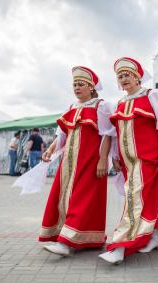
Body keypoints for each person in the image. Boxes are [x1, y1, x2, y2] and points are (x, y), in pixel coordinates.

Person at [99, 57, 158, 264]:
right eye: (120, 76)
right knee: (141, 201)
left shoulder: (153, 96)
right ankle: (155, 235)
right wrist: (114, 156)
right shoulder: (119, 103)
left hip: (149, 160)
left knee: (135, 201)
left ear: (137, 77)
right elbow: (116, 134)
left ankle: (120, 247)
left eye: (127, 75)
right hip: (128, 163)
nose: (123, 78)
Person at [39, 66, 115, 256]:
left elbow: (107, 135)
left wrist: (103, 160)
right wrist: (50, 149)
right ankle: (85, 239)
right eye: (74, 84)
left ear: (91, 87)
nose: (76, 88)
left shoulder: (102, 106)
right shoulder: (72, 107)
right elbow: (63, 135)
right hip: (69, 163)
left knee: (83, 200)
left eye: (81, 84)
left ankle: (65, 244)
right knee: (65, 198)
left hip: (90, 162)